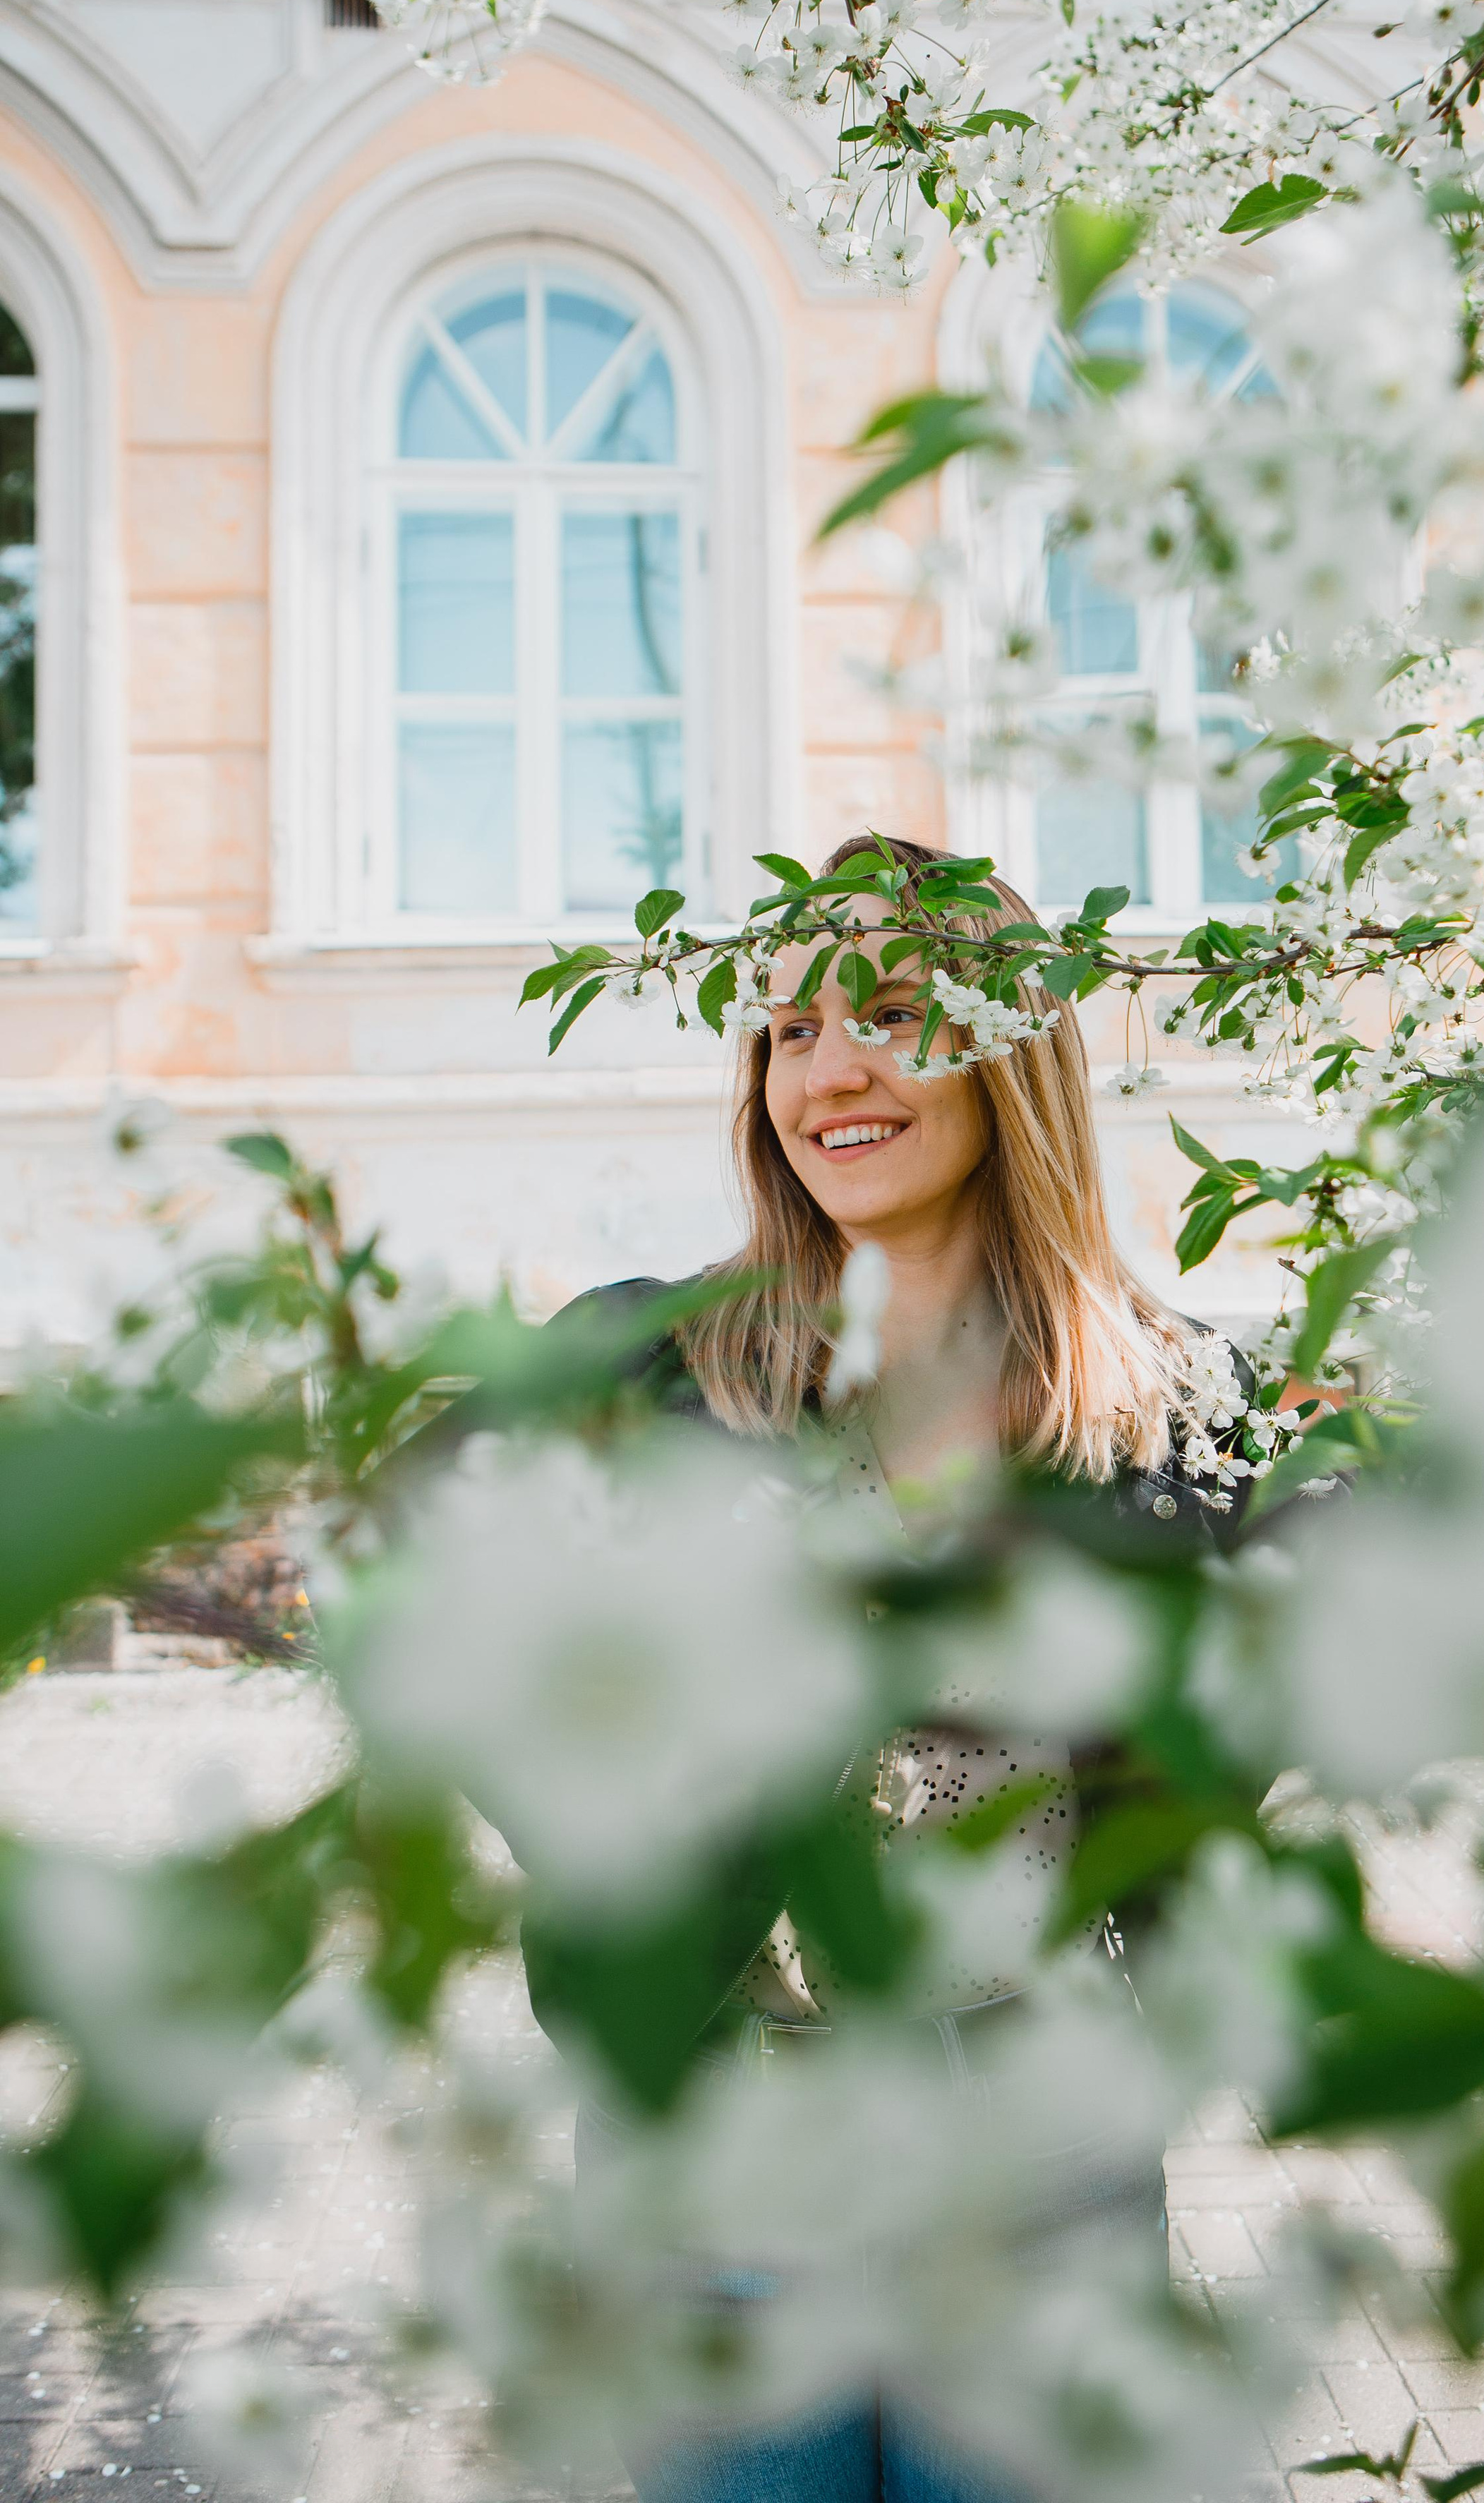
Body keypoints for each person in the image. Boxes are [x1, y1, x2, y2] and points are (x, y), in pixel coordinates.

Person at [549, 835, 1258, 2503]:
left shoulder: (1174, 1404)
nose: (828, 1070)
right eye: (787, 1030)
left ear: (1007, 1044)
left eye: (880, 1011)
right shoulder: (646, 1370)